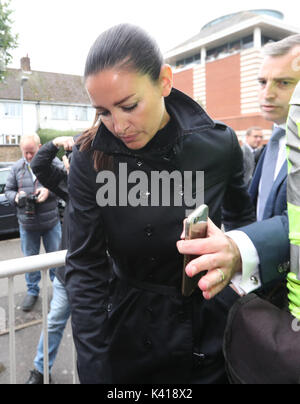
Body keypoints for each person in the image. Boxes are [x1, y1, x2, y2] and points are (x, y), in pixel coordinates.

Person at [64, 23, 255, 384]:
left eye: (129, 105)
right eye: (103, 112)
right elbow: (85, 267)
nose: (118, 126)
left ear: (164, 81)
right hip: (130, 331)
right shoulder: (90, 157)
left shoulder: (219, 144)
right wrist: (93, 368)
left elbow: (241, 217)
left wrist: (235, 264)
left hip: (209, 330)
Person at [177, 34, 300, 303]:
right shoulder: (272, 146)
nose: (267, 92)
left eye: (284, 82)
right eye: (262, 81)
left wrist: (240, 249)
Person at [24, 136, 74, 384]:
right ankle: (40, 370)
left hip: (101, 278)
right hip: (68, 276)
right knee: (54, 323)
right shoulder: (69, 184)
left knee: (104, 330)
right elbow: (39, 165)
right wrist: (55, 143)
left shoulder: (113, 190)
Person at [5, 134, 62, 312]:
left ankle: (59, 291)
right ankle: (32, 292)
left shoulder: (53, 163)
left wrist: (49, 191)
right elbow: (8, 190)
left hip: (51, 223)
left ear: (40, 146)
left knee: (56, 259)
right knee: (30, 261)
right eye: (25, 153)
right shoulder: (16, 168)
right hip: (27, 225)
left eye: (32, 152)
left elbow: (66, 184)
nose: (29, 156)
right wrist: (15, 197)